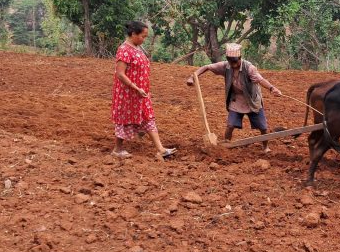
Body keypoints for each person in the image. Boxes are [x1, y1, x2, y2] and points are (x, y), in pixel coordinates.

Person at [186, 43, 282, 153]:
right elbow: (207, 67)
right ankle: (226, 146)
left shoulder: (249, 68)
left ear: (240, 58)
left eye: (235, 61)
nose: (233, 64)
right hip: (236, 100)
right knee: (230, 125)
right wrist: (192, 77)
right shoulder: (226, 66)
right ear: (228, 60)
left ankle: (265, 147)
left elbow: (261, 80)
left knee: (263, 127)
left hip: (252, 100)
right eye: (231, 61)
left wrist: (272, 88)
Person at [111, 21, 176, 159]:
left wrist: (142, 89)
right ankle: (117, 149)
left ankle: (160, 149)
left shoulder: (137, 48)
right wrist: (135, 88)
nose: (144, 39)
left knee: (148, 118)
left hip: (141, 93)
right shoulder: (124, 50)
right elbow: (120, 74)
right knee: (124, 120)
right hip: (128, 93)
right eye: (143, 36)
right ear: (133, 34)